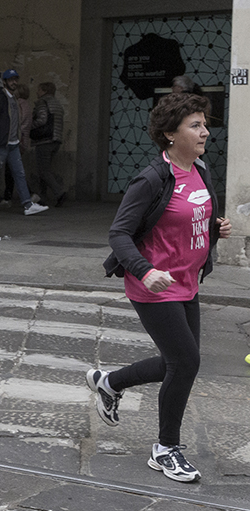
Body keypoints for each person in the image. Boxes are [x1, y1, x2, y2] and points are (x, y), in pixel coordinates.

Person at [88, 92, 230, 483]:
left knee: (179, 361)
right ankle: (166, 448)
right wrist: (145, 270)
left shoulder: (201, 170)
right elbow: (119, 233)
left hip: (186, 281)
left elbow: (195, 218)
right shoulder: (151, 178)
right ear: (170, 134)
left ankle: (109, 382)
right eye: (195, 125)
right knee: (186, 362)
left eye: (204, 124)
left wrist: (215, 231)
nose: (205, 132)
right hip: (153, 284)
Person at [0, 70, 48, 216]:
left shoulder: (14, 99)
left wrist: (19, 139)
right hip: (2, 144)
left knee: (19, 174)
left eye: (15, 79)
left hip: (13, 144)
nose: (14, 82)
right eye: (10, 80)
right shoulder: (0, 97)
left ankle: (27, 204)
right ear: (4, 82)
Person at [31, 82, 66, 207]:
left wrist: (30, 127)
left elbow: (42, 120)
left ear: (44, 91)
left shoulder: (42, 102)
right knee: (44, 170)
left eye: (39, 89)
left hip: (44, 140)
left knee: (43, 170)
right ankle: (42, 197)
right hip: (56, 140)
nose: (37, 92)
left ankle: (59, 192)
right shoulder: (57, 104)